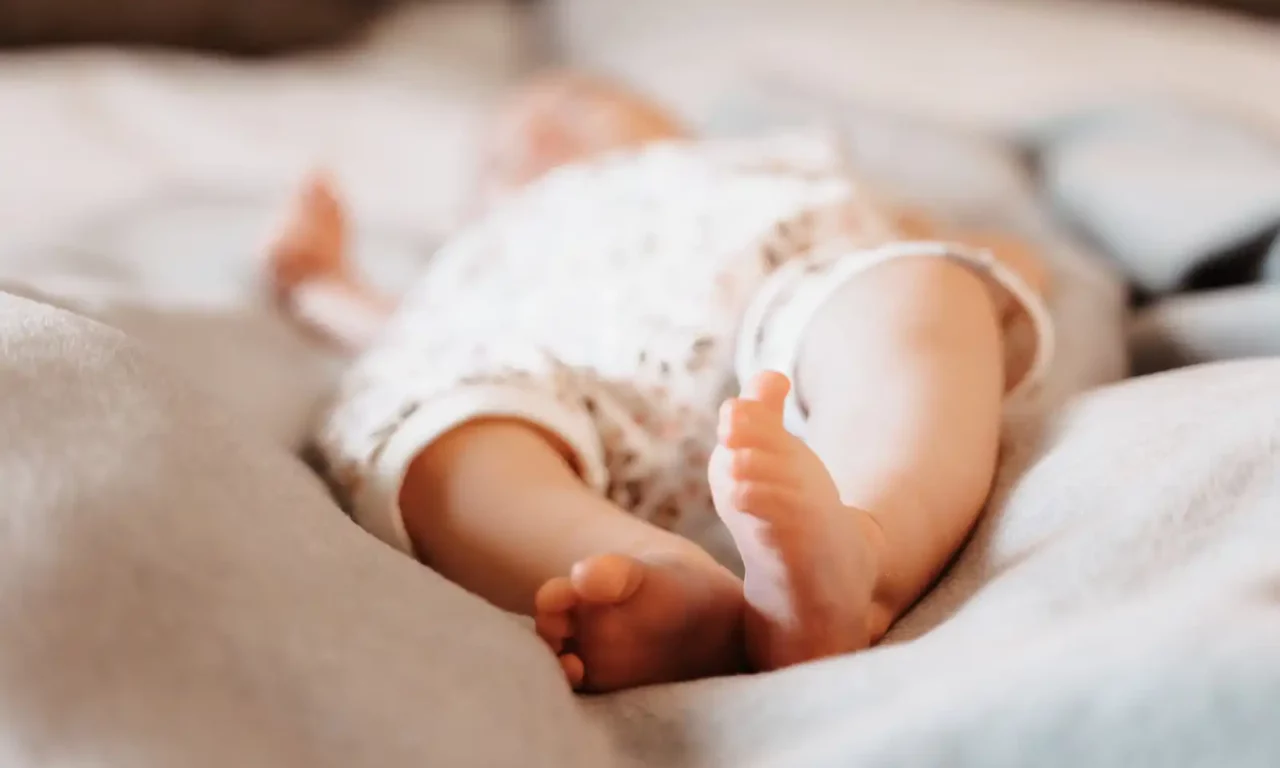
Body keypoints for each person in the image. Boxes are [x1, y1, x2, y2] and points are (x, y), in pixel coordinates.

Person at [267, 71, 1053, 692]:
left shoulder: (750, 170)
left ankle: (861, 552)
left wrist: (958, 272)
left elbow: (965, 259)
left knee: (910, 290)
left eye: (580, 103)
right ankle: (660, 585)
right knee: (437, 423)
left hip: (776, 340)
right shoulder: (481, 259)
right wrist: (320, 282)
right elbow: (407, 336)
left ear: (679, 133)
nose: (539, 131)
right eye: (499, 156)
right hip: (555, 388)